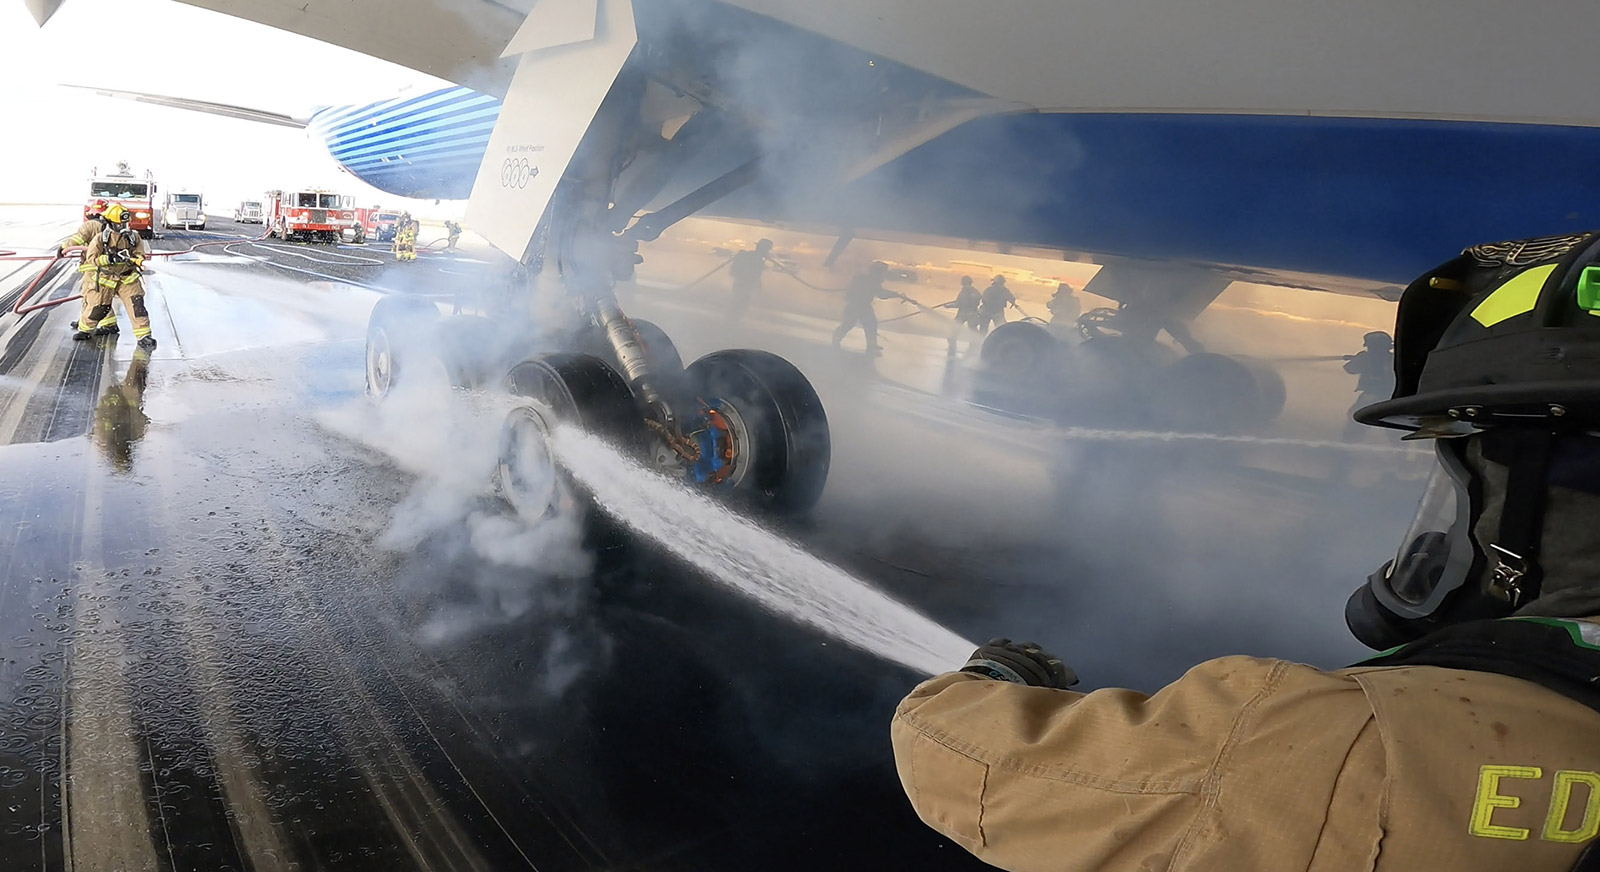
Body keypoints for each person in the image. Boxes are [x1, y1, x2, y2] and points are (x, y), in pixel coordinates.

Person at [892, 230, 1600, 871]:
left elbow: (955, 752)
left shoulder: (1317, 743)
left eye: (1469, 477)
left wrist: (991, 676)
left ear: (1532, 503)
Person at [76, 204, 155, 348]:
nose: (123, 226)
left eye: (125, 223)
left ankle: (144, 336)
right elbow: (92, 258)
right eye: (120, 224)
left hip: (128, 278)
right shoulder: (101, 239)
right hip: (106, 279)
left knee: (137, 306)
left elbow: (139, 253)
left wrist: (138, 259)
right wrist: (109, 259)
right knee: (98, 308)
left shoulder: (133, 237)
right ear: (111, 223)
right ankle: (84, 329)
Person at [93, 347, 151, 473]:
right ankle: (140, 358)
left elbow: (99, 422)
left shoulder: (104, 442)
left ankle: (140, 358)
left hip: (115, 404)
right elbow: (142, 423)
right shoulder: (132, 437)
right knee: (134, 384)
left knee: (130, 384)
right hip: (121, 404)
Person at [62, 199, 110, 333]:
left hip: (93, 267)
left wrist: (63, 248)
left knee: (90, 296)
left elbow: (77, 240)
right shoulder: (110, 226)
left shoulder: (89, 225)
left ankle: (89, 322)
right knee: (102, 297)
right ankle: (99, 321)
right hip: (107, 266)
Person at [831, 261, 897, 355]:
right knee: (848, 324)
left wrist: (895, 294)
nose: (883, 275)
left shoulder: (871, 280)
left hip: (864, 307)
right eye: (882, 272)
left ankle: (871, 344)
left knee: (871, 324)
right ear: (877, 272)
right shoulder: (865, 280)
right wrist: (894, 294)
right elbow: (881, 294)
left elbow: (881, 293)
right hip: (854, 306)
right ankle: (836, 337)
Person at [1343, 330, 1396, 441]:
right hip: (1392, 397)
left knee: (1356, 420)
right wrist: (1358, 359)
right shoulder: (1394, 359)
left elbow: (1350, 369)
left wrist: (1358, 359)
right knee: (1394, 427)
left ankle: (1346, 447)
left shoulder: (1367, 358)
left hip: (1375, 396)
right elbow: (1350, 369)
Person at [727, 238, 775, 319]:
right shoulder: (755, 258)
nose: (768, 252)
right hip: (744, 284)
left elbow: (757, 273)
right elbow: (754, 272)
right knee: (740, 301)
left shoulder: (755, 257)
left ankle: (733, 318)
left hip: (742, 283)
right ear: (764, 249)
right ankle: (732, 319)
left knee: (739, 301)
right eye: (767, 250)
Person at [941, 275, 983, 356]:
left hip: (968, 313)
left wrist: (949, 306)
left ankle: (975, 341)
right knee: (958, 326)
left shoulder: (971, 292)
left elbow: (959, 303)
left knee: (970, 328)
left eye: (965, 284)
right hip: (966, 312)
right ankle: (954, 339)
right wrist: (949, 305)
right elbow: (959, 303)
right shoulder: (967, 291)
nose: (965, 286)